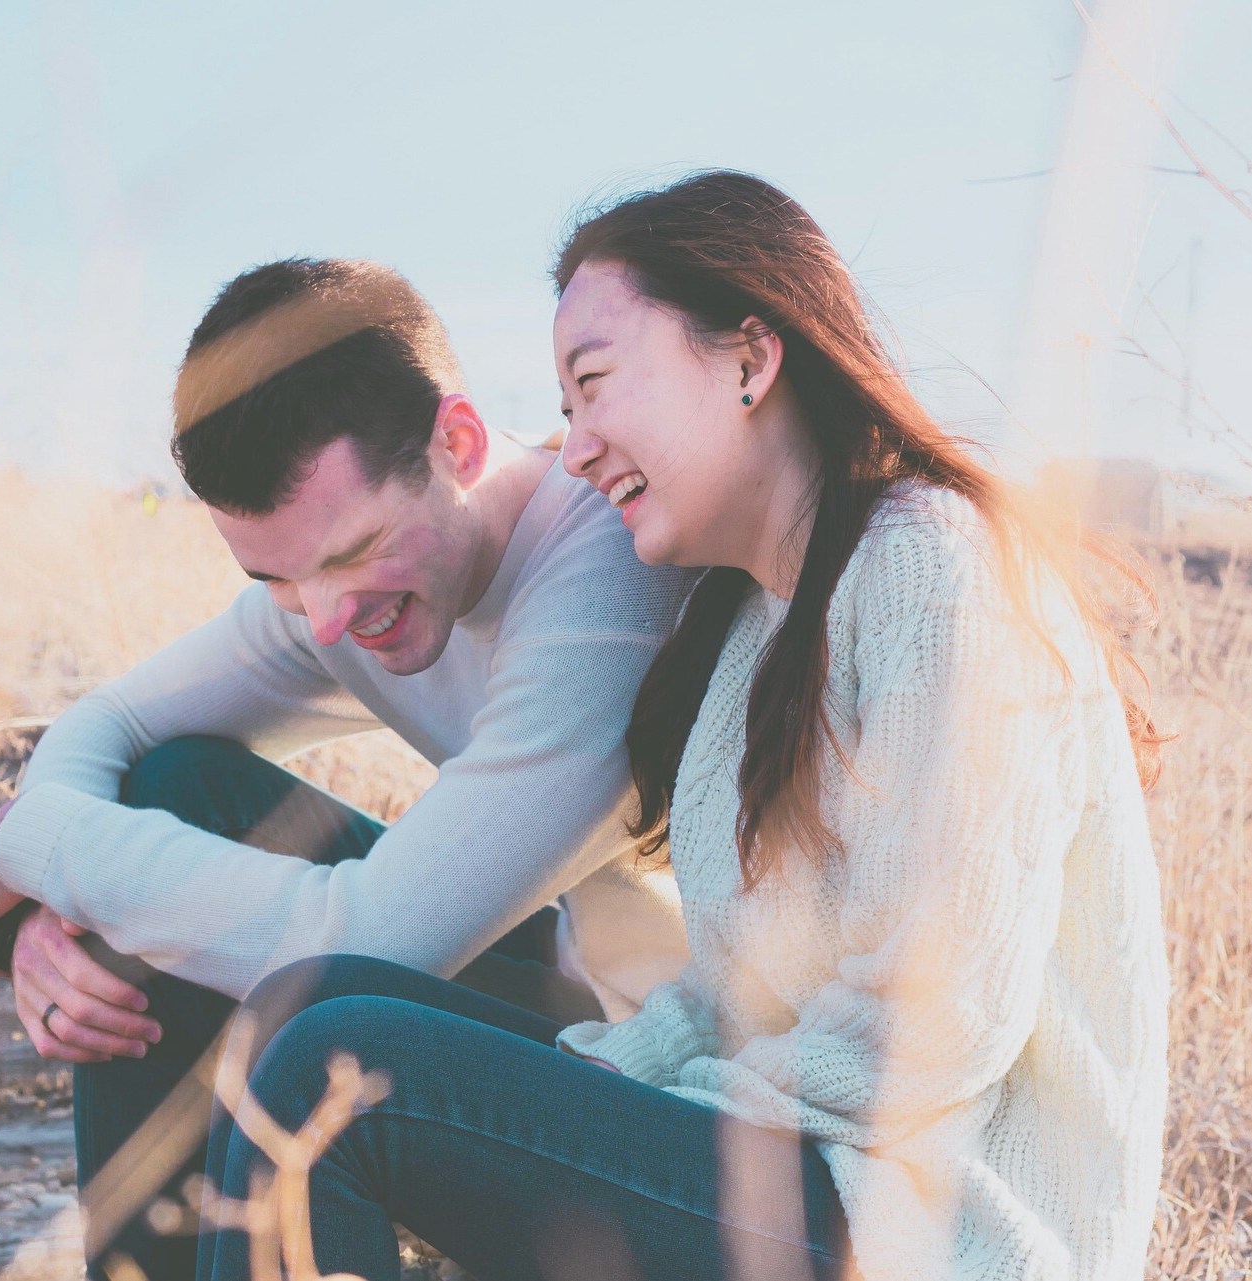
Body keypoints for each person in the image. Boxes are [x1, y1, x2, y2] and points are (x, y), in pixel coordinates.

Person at [199, 172, 1171, 1281]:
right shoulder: (757, 629)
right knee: (313, 998)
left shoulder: (934, 570)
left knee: (341, 1065)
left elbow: (934, 1022)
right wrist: (610, 1082)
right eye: (562, 411)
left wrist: (652, 1109)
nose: (572, 448)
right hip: (801, 1172)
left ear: (749, 359)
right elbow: (739, 994)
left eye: (595, 386)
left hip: (927, 1232)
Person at [0, 257, 698, 1277]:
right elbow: (111, 722)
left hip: (681, 1085)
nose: (325, 617)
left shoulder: (607, 573)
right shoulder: (328, 592)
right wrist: (53, 905)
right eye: (274, 577)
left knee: (287, 997)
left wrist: (38, 849)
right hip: (575, 992)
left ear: (459, 442)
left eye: (351, 553)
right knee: (169, 788)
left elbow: (371, 938)